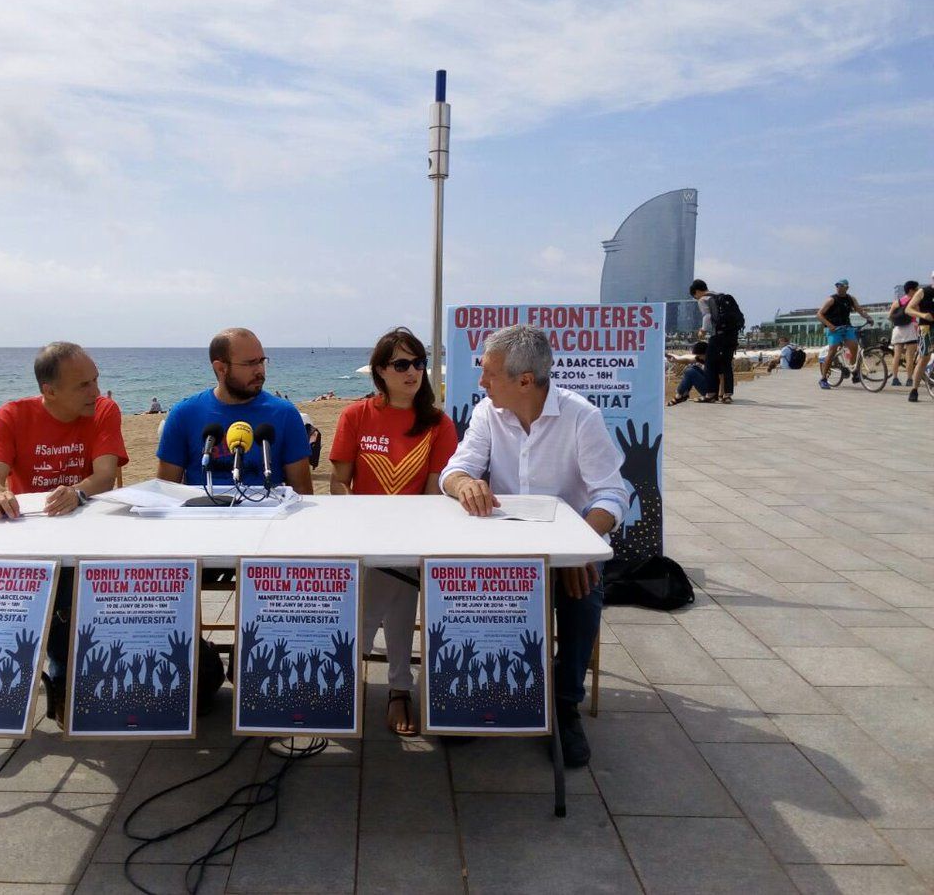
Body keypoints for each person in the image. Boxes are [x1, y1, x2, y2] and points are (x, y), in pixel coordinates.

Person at [439, 325, 628, 767]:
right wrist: (465, 483)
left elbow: (612, 495)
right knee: (462, 592)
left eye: (488, 374)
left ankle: (563, 706)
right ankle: (487, 694)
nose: (481, 383)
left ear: (525, 380)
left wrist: (576, 548)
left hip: (569, 548)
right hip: (504, 553)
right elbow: (455, 469)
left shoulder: (582, 417)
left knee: (583, 595)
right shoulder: (488, 413)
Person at [0, 342, 129, 722]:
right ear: (50, 391)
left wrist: (77, 493)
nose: (96, 391)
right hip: (35, 535)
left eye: (96, 380)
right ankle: (39, 680)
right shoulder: (12, 415)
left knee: (70, 585)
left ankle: (64, 676)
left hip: (91, 534)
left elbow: (105, 476)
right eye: (83, 385)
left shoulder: (103, 409)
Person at [329, 328, 458, 736]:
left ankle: (346, 671)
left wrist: (402, 534)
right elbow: (338, 483)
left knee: (395, 579)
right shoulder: (356, 415)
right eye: (402, 364)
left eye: (419, 363)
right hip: (362, 534)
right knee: (398, 589)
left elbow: (434, 489)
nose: (413, 372)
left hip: (413, 534)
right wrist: (359, 526)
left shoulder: (438, 424)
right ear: (380, 371)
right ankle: (398, 686)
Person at [157, 328, 314, 492]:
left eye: (262, 361)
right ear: (221, 369)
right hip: (203, 515)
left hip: (268, 515)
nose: (260, 370)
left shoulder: (285, 414)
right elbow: (165, 492)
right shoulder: (184, 415)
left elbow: (302, 492)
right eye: (250, 363)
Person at [817, 279, 874, 389]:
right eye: (837, 285)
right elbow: (819, 314)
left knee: (854, 347)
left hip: (847, 327)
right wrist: (830, 326)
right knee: (832, 351)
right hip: (834, 329)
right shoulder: (831, 300)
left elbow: (860, 310)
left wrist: (868, 318)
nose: (838, 287)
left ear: (846, 287)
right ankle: (823, 378)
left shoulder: (850, 299)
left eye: (841, 285)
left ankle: (853, 370)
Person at [689, 279, 736, 403]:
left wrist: (703, 331)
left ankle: (711, 394)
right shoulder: (720, 296)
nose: (696, 299)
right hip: (732, 336)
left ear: (697, 291)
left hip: (718, 335)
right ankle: (727, 395)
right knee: (726, 364)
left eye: (695, 296)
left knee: (710, 363)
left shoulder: (703, 299)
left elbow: (707, 316)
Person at [905, 275, 934, 402]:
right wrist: (922, 315)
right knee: (924, 358)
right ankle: (914, 389)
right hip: (926, 328)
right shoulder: (924, 292)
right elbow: (908, 309)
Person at [890, 281, 920, 388]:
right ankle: (909, 379)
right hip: (910, 329)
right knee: (909, 356)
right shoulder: (914, 302)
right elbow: (918, 314)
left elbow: (890, 316)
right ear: (911, 290)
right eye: (916, 289)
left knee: (896, 355)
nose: (918, 291)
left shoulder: (897, 302)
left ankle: (895, 378)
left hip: (898, 329)